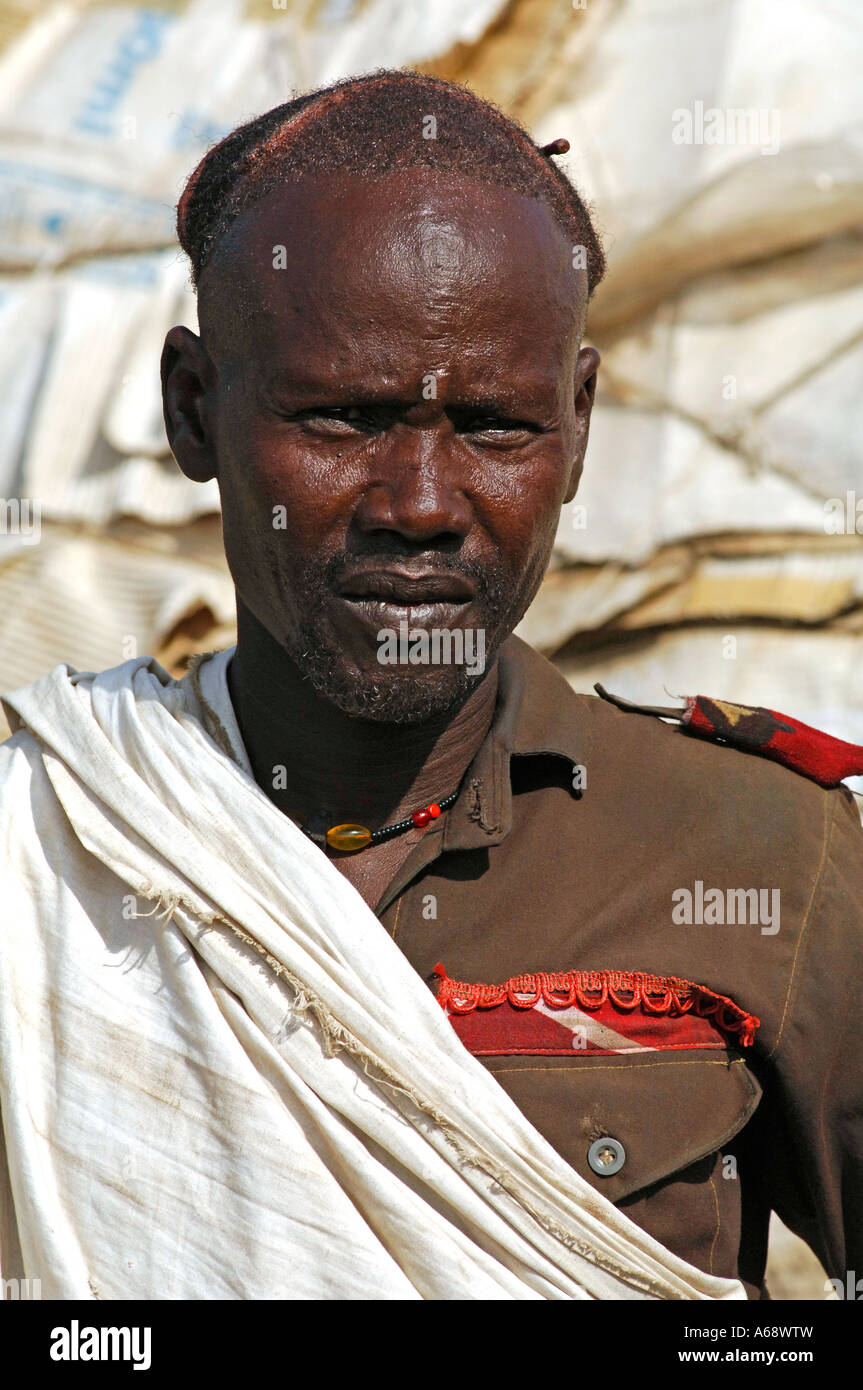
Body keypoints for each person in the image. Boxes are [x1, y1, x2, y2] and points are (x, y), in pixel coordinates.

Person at [0, 69, 860, 1302]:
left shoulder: (762, 852)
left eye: (497, 428)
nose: (419, 505)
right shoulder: (46, 843)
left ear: (576, 426)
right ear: (193, 411)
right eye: (343, 420)